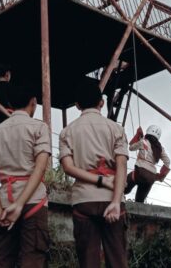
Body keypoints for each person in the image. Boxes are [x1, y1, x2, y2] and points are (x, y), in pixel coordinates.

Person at [59, 81, 129, 268]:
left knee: (88, 262)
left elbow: (68, 167)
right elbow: (122, 166)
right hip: (112, 199)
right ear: (102, 103)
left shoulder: (67, 132)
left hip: (84, 201)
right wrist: (115, 201)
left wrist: (99, 180)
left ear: (77, 105)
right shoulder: (116, 129)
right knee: (117, 260)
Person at [0, 84, 51, 268]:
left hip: (5, 204)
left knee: (2, 261)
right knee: (33, 260)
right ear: (34, 102)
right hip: (33, 202)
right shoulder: (39, 127)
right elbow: (40, 168)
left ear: (10, 103)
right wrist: (20, 203)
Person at [125, 124, 170, 203]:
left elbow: (131, 147)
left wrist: (137, 136)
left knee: (124, 187)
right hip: (151, 177)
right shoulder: (160, 148)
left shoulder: (143, 142)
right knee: (139, 201)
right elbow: (167, 161)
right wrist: (161, 176)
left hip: (140, 172)